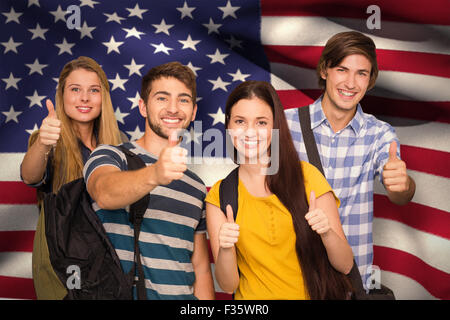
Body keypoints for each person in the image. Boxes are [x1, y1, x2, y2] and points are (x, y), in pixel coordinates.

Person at [284, 31, 416, 289]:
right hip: (291, 280)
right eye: (342, 69)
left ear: (371, 79)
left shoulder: (379, 134)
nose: (351, 83)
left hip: (350, 284)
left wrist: (403, 185)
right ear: (325, 70)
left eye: (362, 73)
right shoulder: (285, 126)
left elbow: (400, 194)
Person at [206, 80, 354, 300]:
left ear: (275, 126)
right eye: (240, 121)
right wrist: (226, 249)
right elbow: (228, 285)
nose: (249, 132)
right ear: (228, 126)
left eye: (261, 122)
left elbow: (345, 265)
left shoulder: (308, 177)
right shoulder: (220, 195)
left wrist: (326, 232)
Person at [83, 61, 215, 300]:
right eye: (162, 98)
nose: (173, 108)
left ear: (193, 112)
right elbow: (103, 192)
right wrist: (155, 174)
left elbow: (201, 269)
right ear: (143, 107)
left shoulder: (196, 187)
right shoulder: (110, 155)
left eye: (183, 100)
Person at [20, 56, 126, 299]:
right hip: (62, 264)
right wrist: (44, 143)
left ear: (104, 97)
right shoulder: (48, 139)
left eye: (93, 90)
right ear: (62, 95)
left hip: (110, 261)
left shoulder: (120, 143)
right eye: (75, 89)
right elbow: (29, 176)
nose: (84, 98)